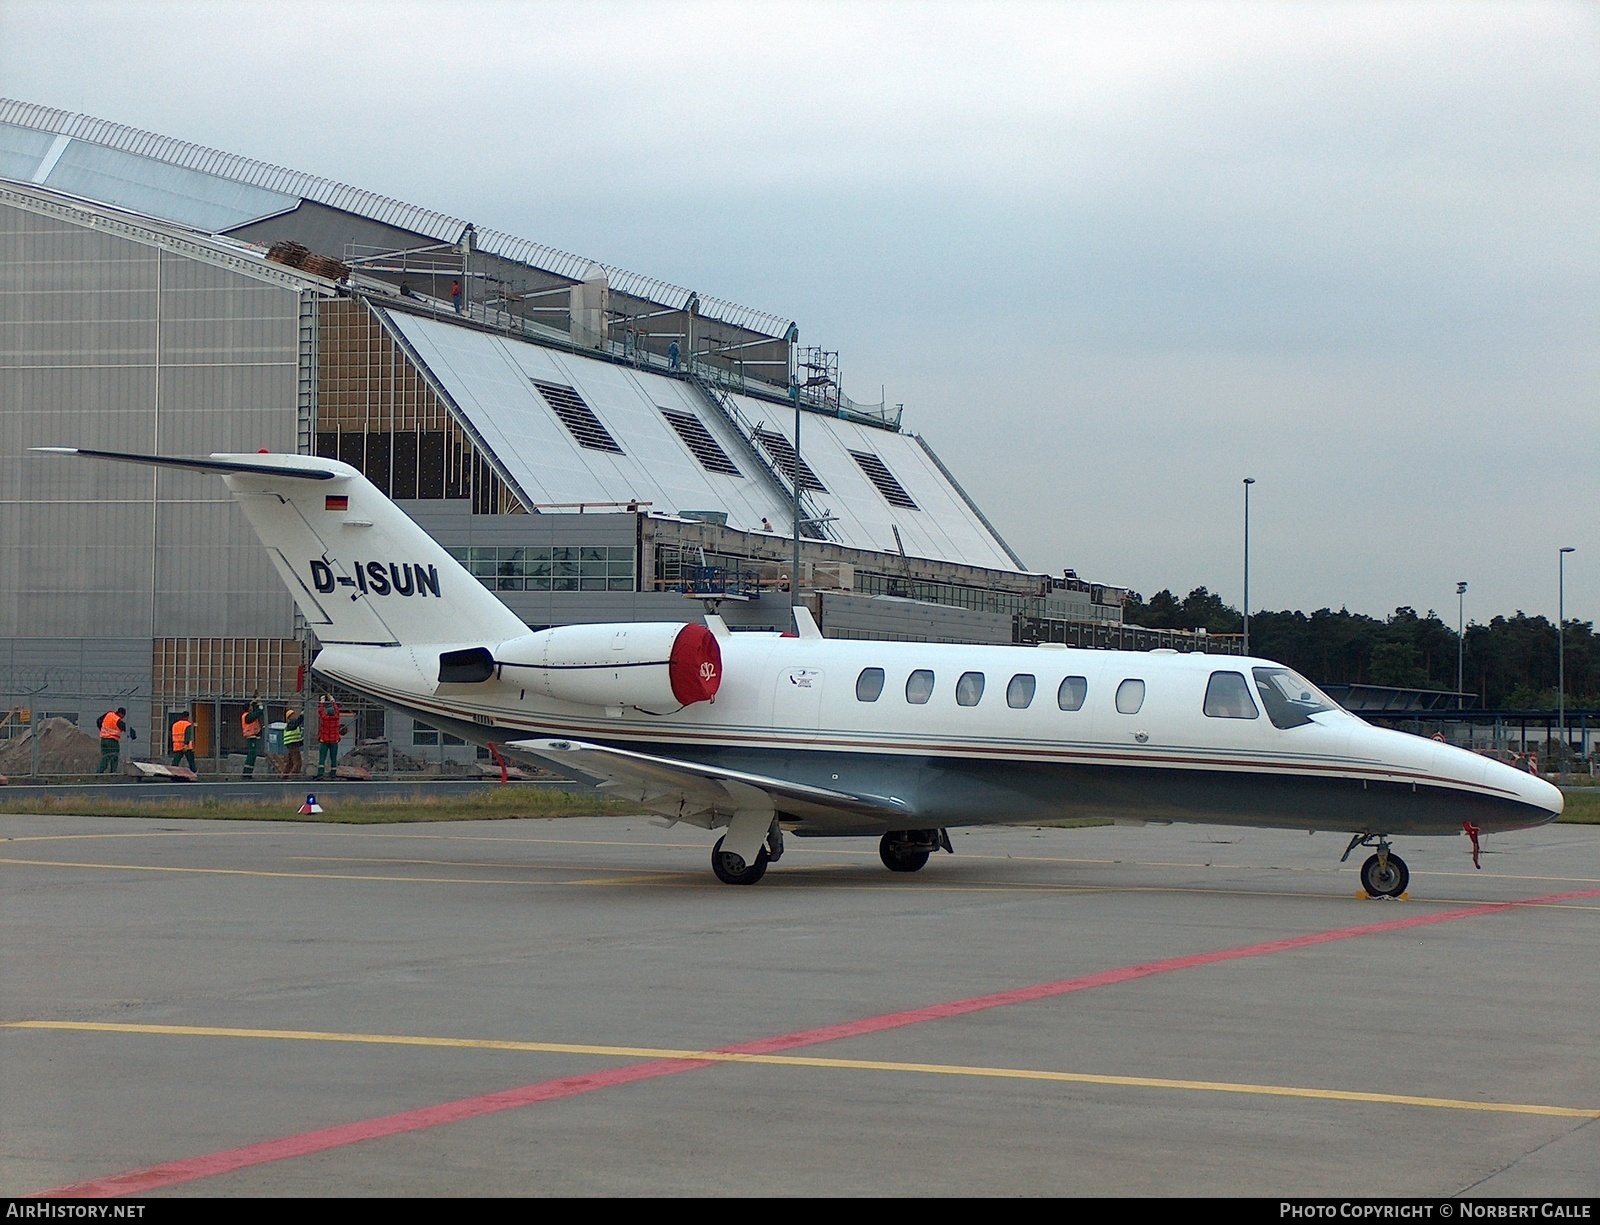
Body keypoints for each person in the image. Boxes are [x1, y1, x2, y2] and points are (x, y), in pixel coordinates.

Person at [96, 707, 132, 774]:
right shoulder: (117, 720)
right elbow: (126, 728)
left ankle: (99, 772)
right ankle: (113, 773)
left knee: (105, 757)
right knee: (114, 757)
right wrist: (133, 734)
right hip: (112, 741)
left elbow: (98, 720)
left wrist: (102, 730)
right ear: (122, 714)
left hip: (103, 740)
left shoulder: (109, 714)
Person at [316, 695, 343, 778]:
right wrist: (332, 700)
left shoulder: (324, 718)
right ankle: (333, 774)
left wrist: (322, 702)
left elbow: (320, 711)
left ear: (327, 712)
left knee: (322, 758)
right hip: (334, 741)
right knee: (333, 758)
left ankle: (320, 774)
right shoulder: (336, 718)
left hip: (324, 741)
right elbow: (337, 710)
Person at [241, 695, 265, 777]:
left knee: (253, 755)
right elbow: (258, 713)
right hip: (251, 737)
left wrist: (254, 701)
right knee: (252, 754)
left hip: (253, 736)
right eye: (250, 706)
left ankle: (248, 773)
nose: (252, 707)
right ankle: (246, 773)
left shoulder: (247, 715)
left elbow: (254, 710)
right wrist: (260, 705)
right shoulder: (248, 716)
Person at [282, 706, 304, 777]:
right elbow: (296, 724)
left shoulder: (291, 724)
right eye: (292, 715)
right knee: (298, 762)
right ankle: (293, 775)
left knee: (290, 762)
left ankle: (285, 775)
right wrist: (301, 716)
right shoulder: (291, 724)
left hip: (292, 744)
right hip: (292, 744)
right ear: (289, 717)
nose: (294, 716)